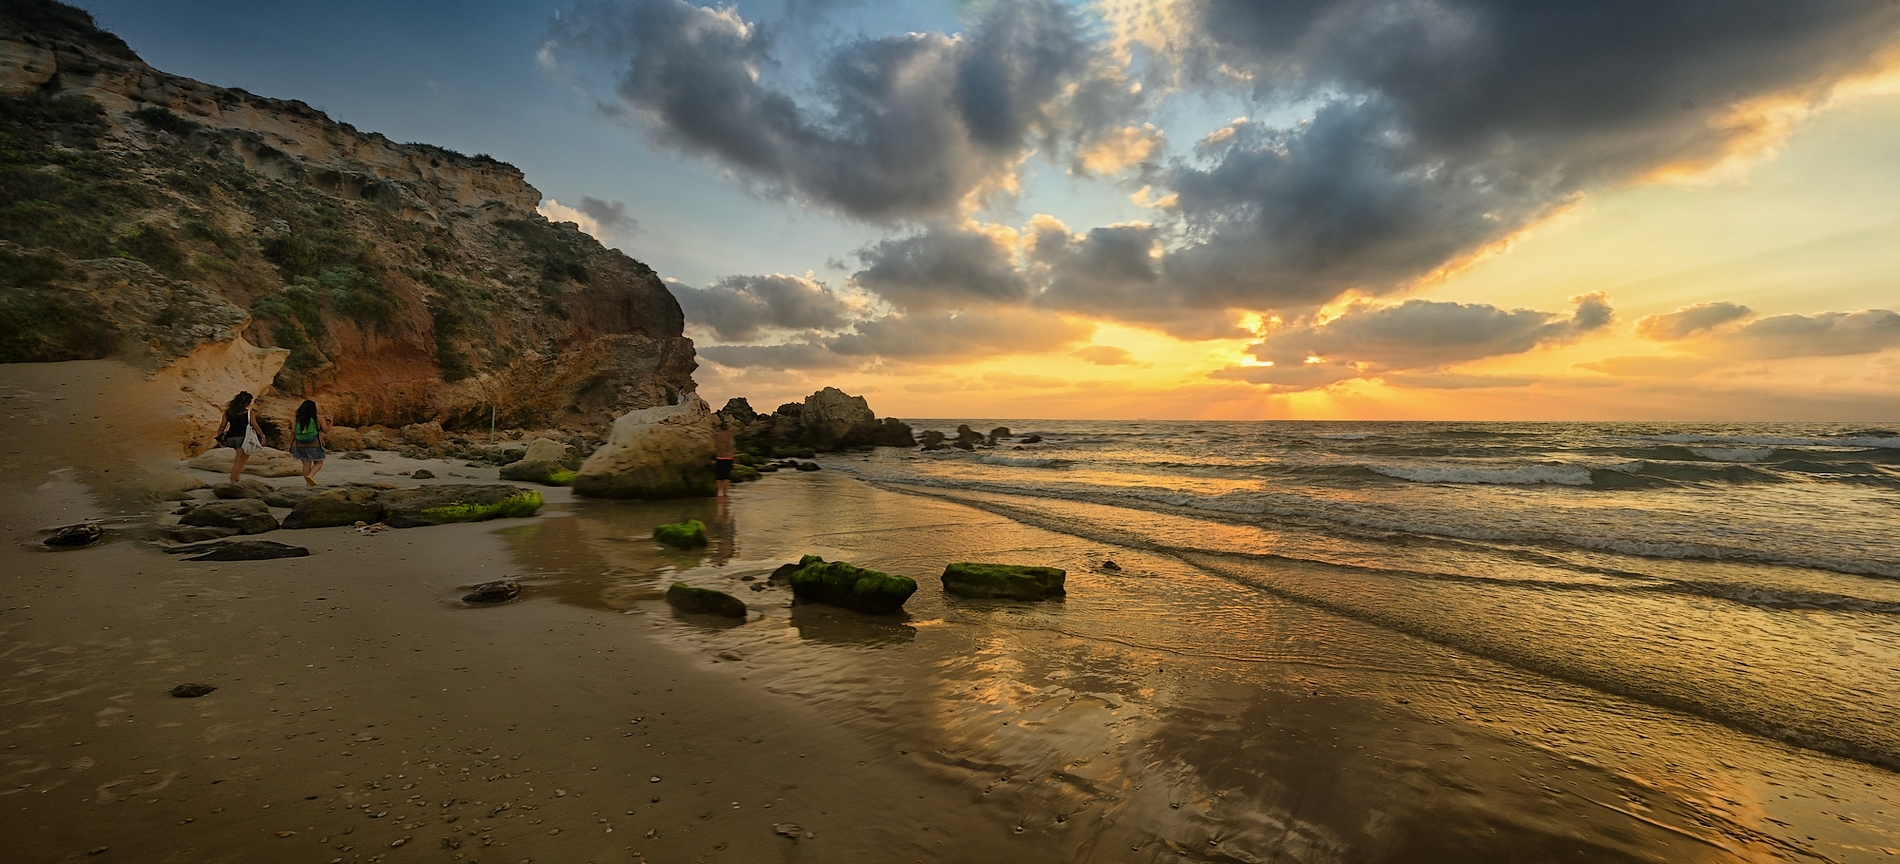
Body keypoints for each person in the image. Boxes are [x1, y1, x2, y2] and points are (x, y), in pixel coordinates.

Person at [215, 391, 263, 484]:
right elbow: (255, 425)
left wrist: (219, 437)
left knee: (239, 459)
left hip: (230, 438)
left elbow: (222, 426)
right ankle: (233, 481)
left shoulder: (229, 412)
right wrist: (262, 436)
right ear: (247, 402)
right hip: (243, 438)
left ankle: (236, 477)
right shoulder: (249, 412)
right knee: (240, 460)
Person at [290, 399, 331, 486]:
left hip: (299, 444)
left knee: (306, 464)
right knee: (319, 462)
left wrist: (290, 444)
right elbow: (326, 430)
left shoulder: (298, 418)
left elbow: (293, 432)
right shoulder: (319, 418)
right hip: (314, 444)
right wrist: (330, 423)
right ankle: (311, 476)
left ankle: (308, 484)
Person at [712, 416, 736, 498]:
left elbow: (714, 445)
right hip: (728, 458)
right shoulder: (729, 436)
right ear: (727, 427)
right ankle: (725, 493)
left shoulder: (717, 435)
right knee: (726, 476)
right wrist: (735, 456)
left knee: (719, 477)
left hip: (719, 457)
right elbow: (731, 447)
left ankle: (719, 493)